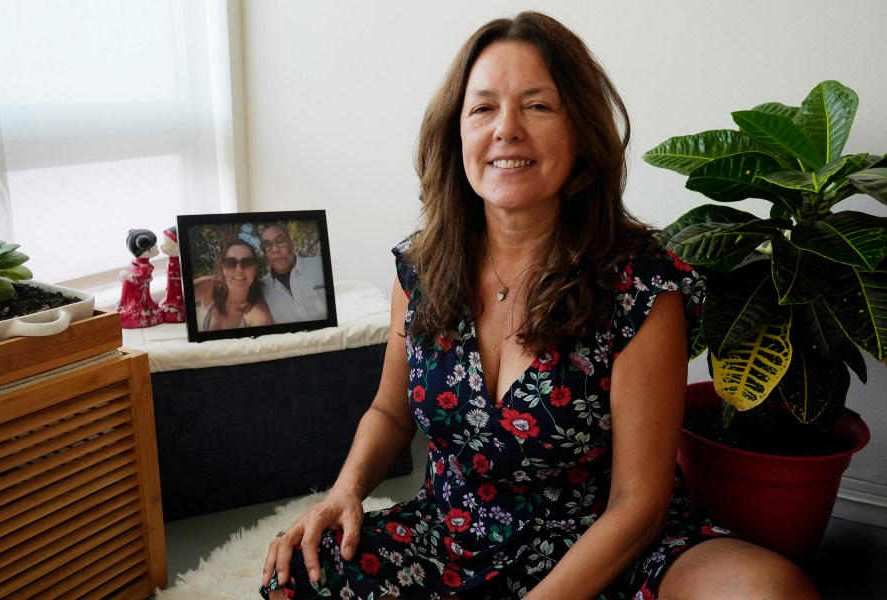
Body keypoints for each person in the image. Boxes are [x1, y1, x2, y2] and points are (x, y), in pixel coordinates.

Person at [261, 12, 820, 600]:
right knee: (296, 569)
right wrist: (345, 491)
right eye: (482, 109)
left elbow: (639, 505)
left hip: (606, 549)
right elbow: (391, 413)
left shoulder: (643, 287)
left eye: (537, 105)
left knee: (771, 589)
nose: (507, 129)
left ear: (580, 131)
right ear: (457, 132)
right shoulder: (421, 269)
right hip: (452, 541)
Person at [193, 238, 273, 331]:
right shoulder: (209, 286)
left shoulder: (259, 316)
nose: (239, 270)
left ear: (255, 269)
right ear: (223, 268)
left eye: (247, 262)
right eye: (230, 262)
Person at [259, 222, 328, 323]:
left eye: (280, 241)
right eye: (267, 245)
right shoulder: (263, 289)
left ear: (291, 244)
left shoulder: (320, 266)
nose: (275, 250)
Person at [117, 228, 162, 329]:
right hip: (135, 290)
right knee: (136, 302)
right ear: (146, 248)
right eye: (154, 245)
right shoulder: (142, 265)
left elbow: (138, 278)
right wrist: (125, 274)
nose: (157, 247)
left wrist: (125, 273)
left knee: (142, 300)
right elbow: (136, 279)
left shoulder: (142, 264)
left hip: (140, 289)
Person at [158, 225, 187, 324]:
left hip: (176, 283)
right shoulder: (171, 259)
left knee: (176, 292)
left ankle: (176, 304)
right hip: (171, 282)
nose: (161, 247)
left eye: (165, 245)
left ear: (177, 249)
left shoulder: (178, 262)